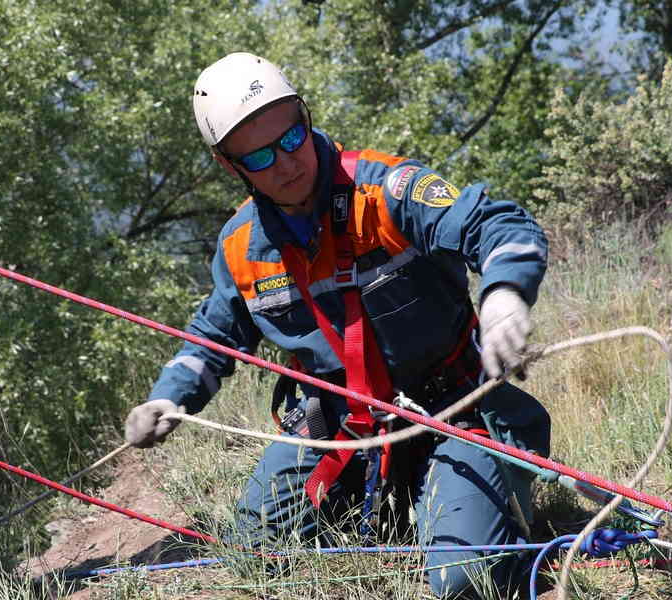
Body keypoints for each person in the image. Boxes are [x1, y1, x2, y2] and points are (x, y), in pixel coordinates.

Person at [125, 52, 551, 598]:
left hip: (456, 411)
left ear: (304, 117)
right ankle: (401, 505)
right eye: (259, 156)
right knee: (251, 555)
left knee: (462, 582)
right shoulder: (241, 247)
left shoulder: (387, 191)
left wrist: (504, 295)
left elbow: (494, 224)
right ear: (229, 165)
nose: (287, 162)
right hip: (343, 426)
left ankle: (486, 498)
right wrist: (168, 397)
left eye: (291, 137)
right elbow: (215, 337)